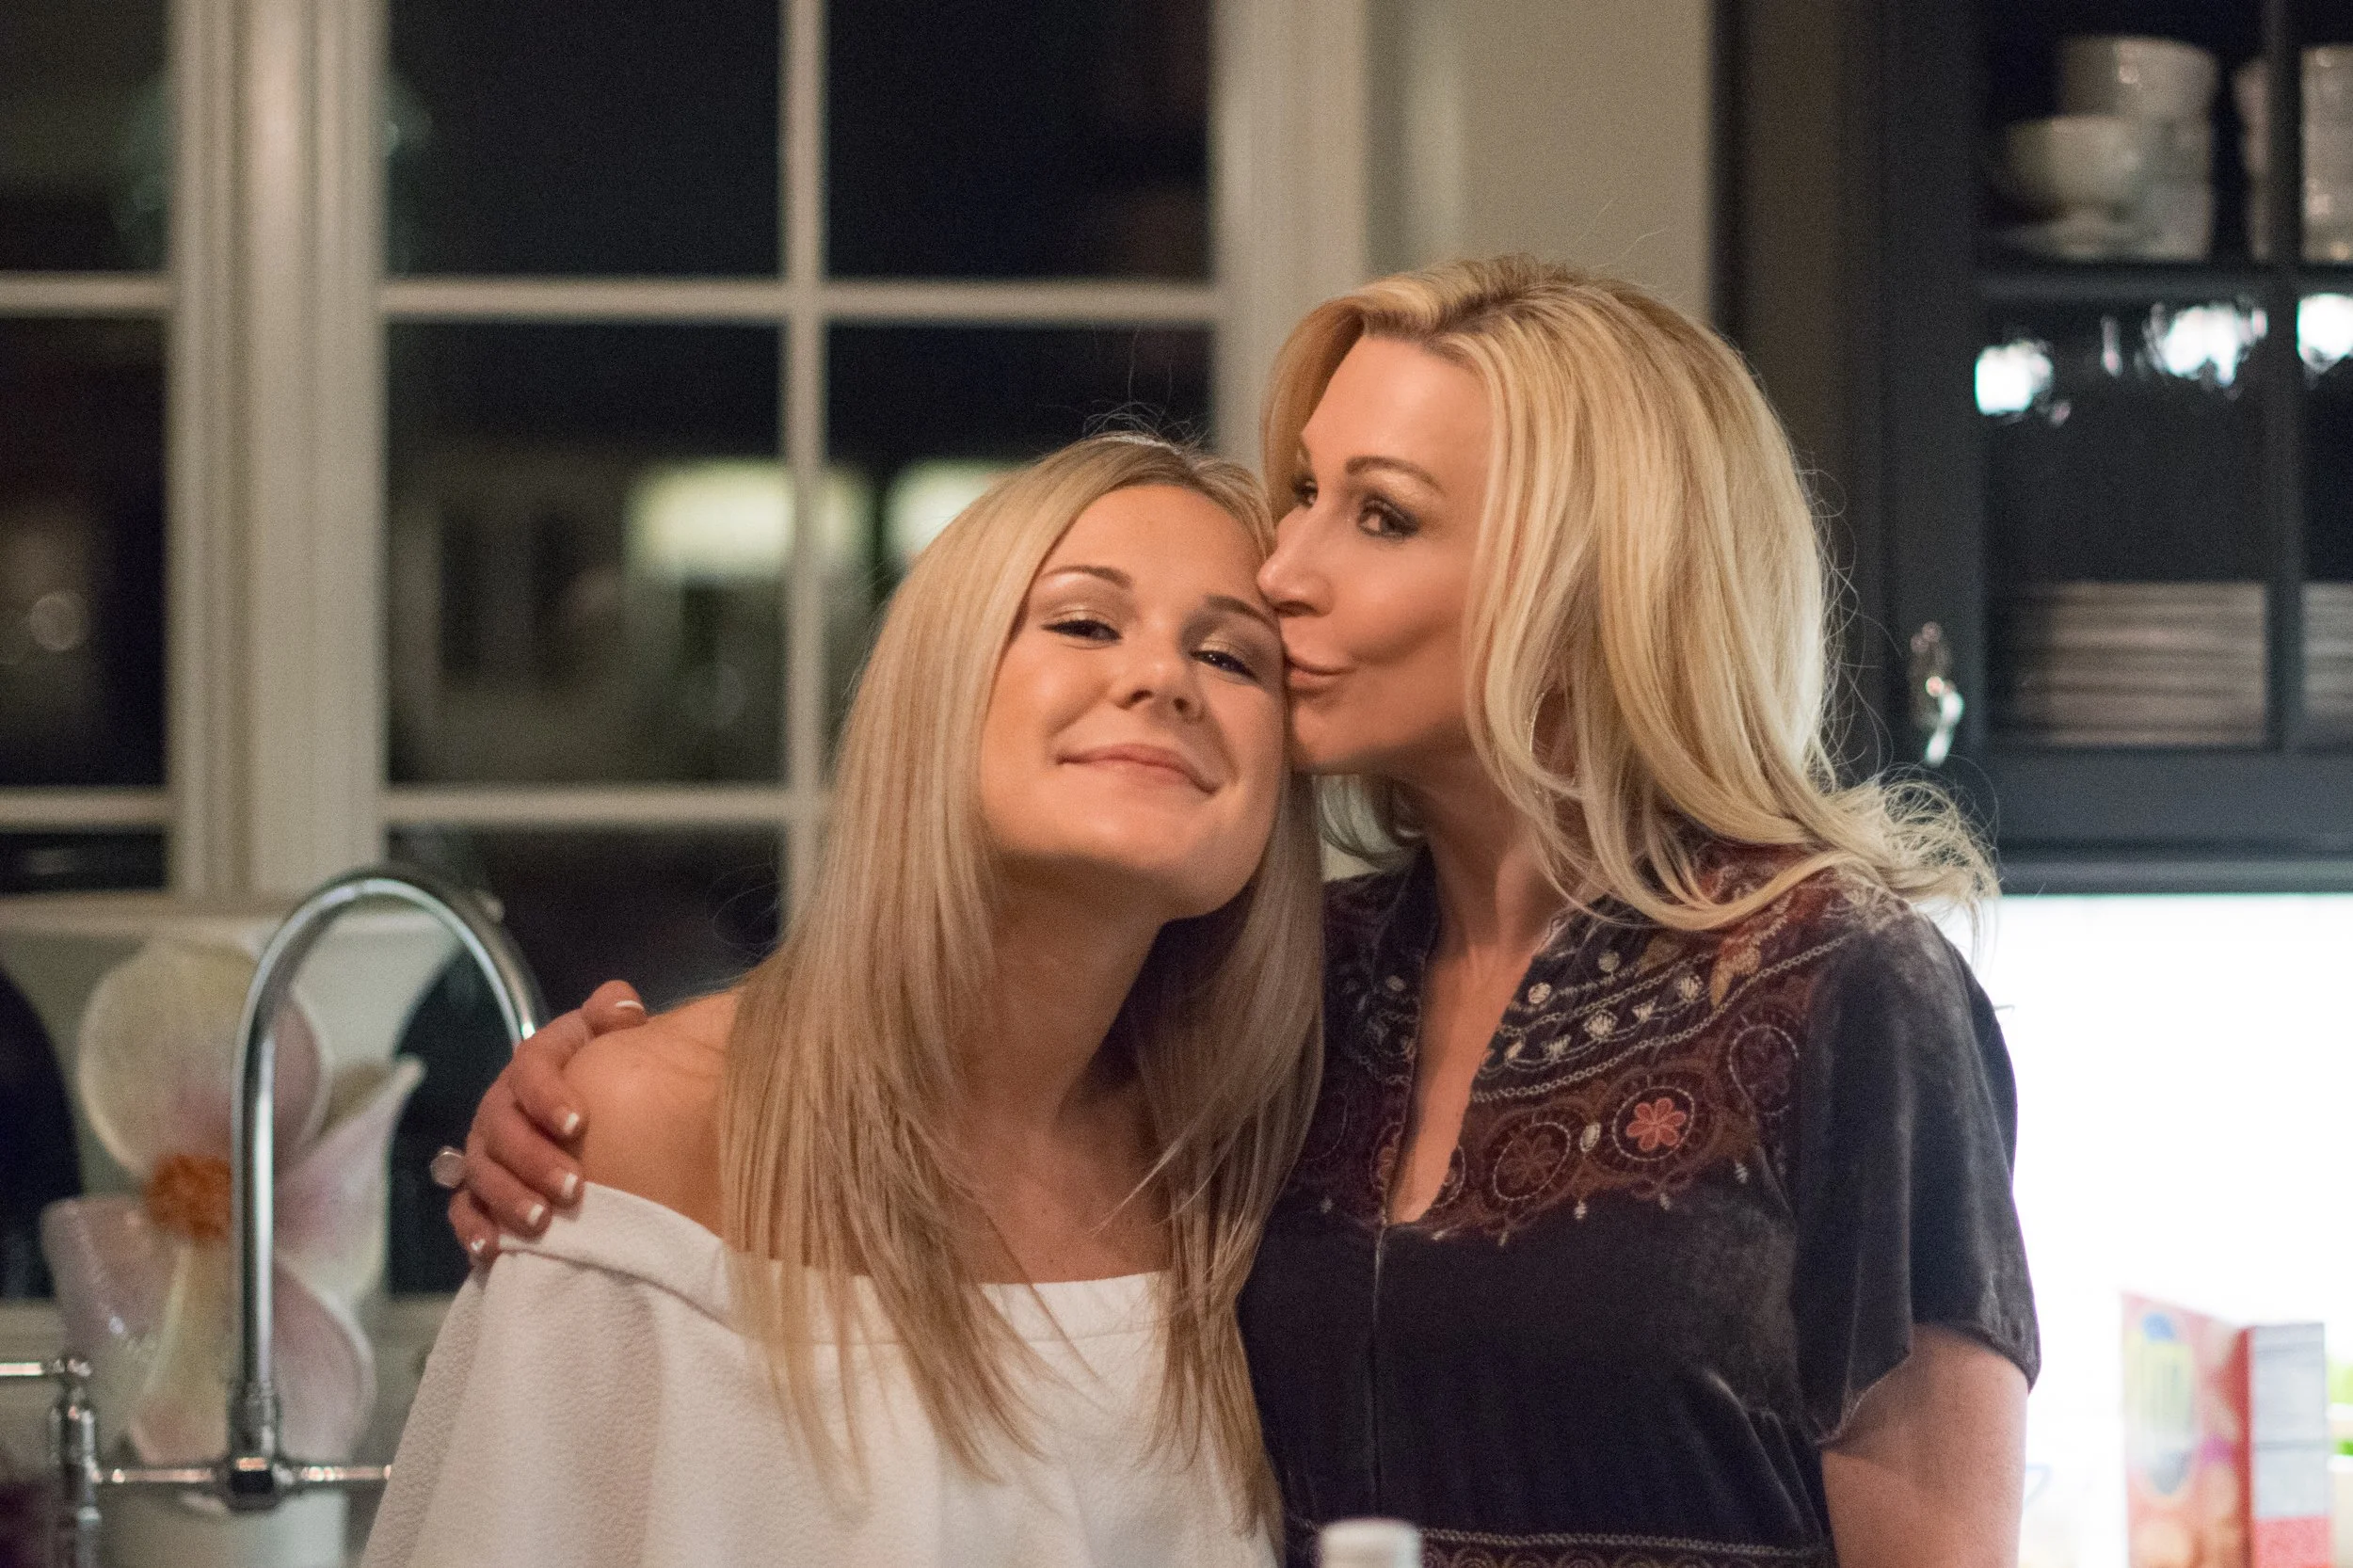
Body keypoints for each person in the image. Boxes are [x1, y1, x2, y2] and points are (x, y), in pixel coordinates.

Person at [448, 258, 2040, 1568]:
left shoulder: (1840, 986)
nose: (1281, 570)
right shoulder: (1297, 991)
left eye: (1380, 515)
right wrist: (586, 1104)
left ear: (1585, 586)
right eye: (1303, 495)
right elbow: (947, 1076)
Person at [368, 434, 1323, 1568]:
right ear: (934, 690)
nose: (1163, 677)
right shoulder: (651, 1127)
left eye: (1229, 656)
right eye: (1081, 622)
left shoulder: (1248, 1175)